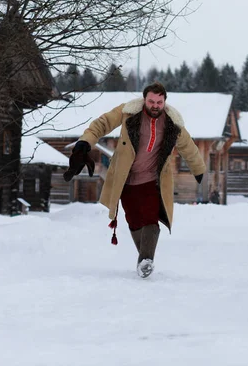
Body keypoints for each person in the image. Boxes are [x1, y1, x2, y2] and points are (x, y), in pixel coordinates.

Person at [63, 82, 205, 278]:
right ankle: (145, 259)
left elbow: (189, 147)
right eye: (151, 101)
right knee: (134, 220)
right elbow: (101, 123)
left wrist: (198, 169)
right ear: (144, 99)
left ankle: (146, 260)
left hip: (151, 180)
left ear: (164, 102)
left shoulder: (173, 123)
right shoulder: (128, 112)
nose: (155, 105)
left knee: (150, 219)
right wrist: (84, 143)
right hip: (125, 179)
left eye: (159, 102)